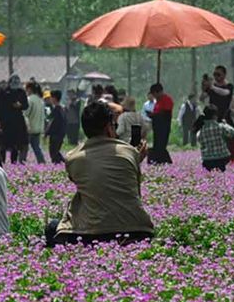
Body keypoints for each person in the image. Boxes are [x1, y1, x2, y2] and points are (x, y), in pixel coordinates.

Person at [45, 100, 153, 247]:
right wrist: (136, 159)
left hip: (93, 235)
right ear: (108, 127)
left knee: (52, 227)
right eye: (114, 126)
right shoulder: (130, 152)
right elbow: (132, 189)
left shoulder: (73, 158)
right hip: (137, 231)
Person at [0, 74, 29, 164]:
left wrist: (20, 105)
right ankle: (2, 161)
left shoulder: (21, 92)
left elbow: (26, 105)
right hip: (5, 121)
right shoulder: (4, 92)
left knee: (16, 144)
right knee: (3, 144)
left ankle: (13, 163)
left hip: (17, 121)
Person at [194, 104, 234, 172]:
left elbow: (199, 140)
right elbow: (232, 132)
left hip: (207, 160)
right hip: (222, 158)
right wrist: (225, 124)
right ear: (215, 116)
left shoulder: (200, 131)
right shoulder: (221, 127)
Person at [147, 83, 173, 164]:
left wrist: (155, 115)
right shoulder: (158, 101)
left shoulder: (167, 99)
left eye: (154, 94)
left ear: (158, 92)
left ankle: (163, 161)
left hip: (163, 127)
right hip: (157, 127)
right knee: (157, 145)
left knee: (161, 146)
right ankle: (159, 161)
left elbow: (166, 113)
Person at [23, 81, 46, 164]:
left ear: (29, 89)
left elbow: (25, 114)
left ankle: (21, 163)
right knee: (36, 147)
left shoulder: (30, 100)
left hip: (30, 127)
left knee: (24, 147)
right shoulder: (40, 100)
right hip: (38, 127)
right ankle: (42, 162)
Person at [45, 90, 66, 164]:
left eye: (51, 97)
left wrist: (46, 133)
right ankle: (63, 163)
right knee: (55, 152)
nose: (50, 99)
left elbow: (51, 123)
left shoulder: (56, 109)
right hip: (60, 134)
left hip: (55, 134)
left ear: (54, 98)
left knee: (53, 152)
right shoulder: (62, 108)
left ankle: (63, 163)